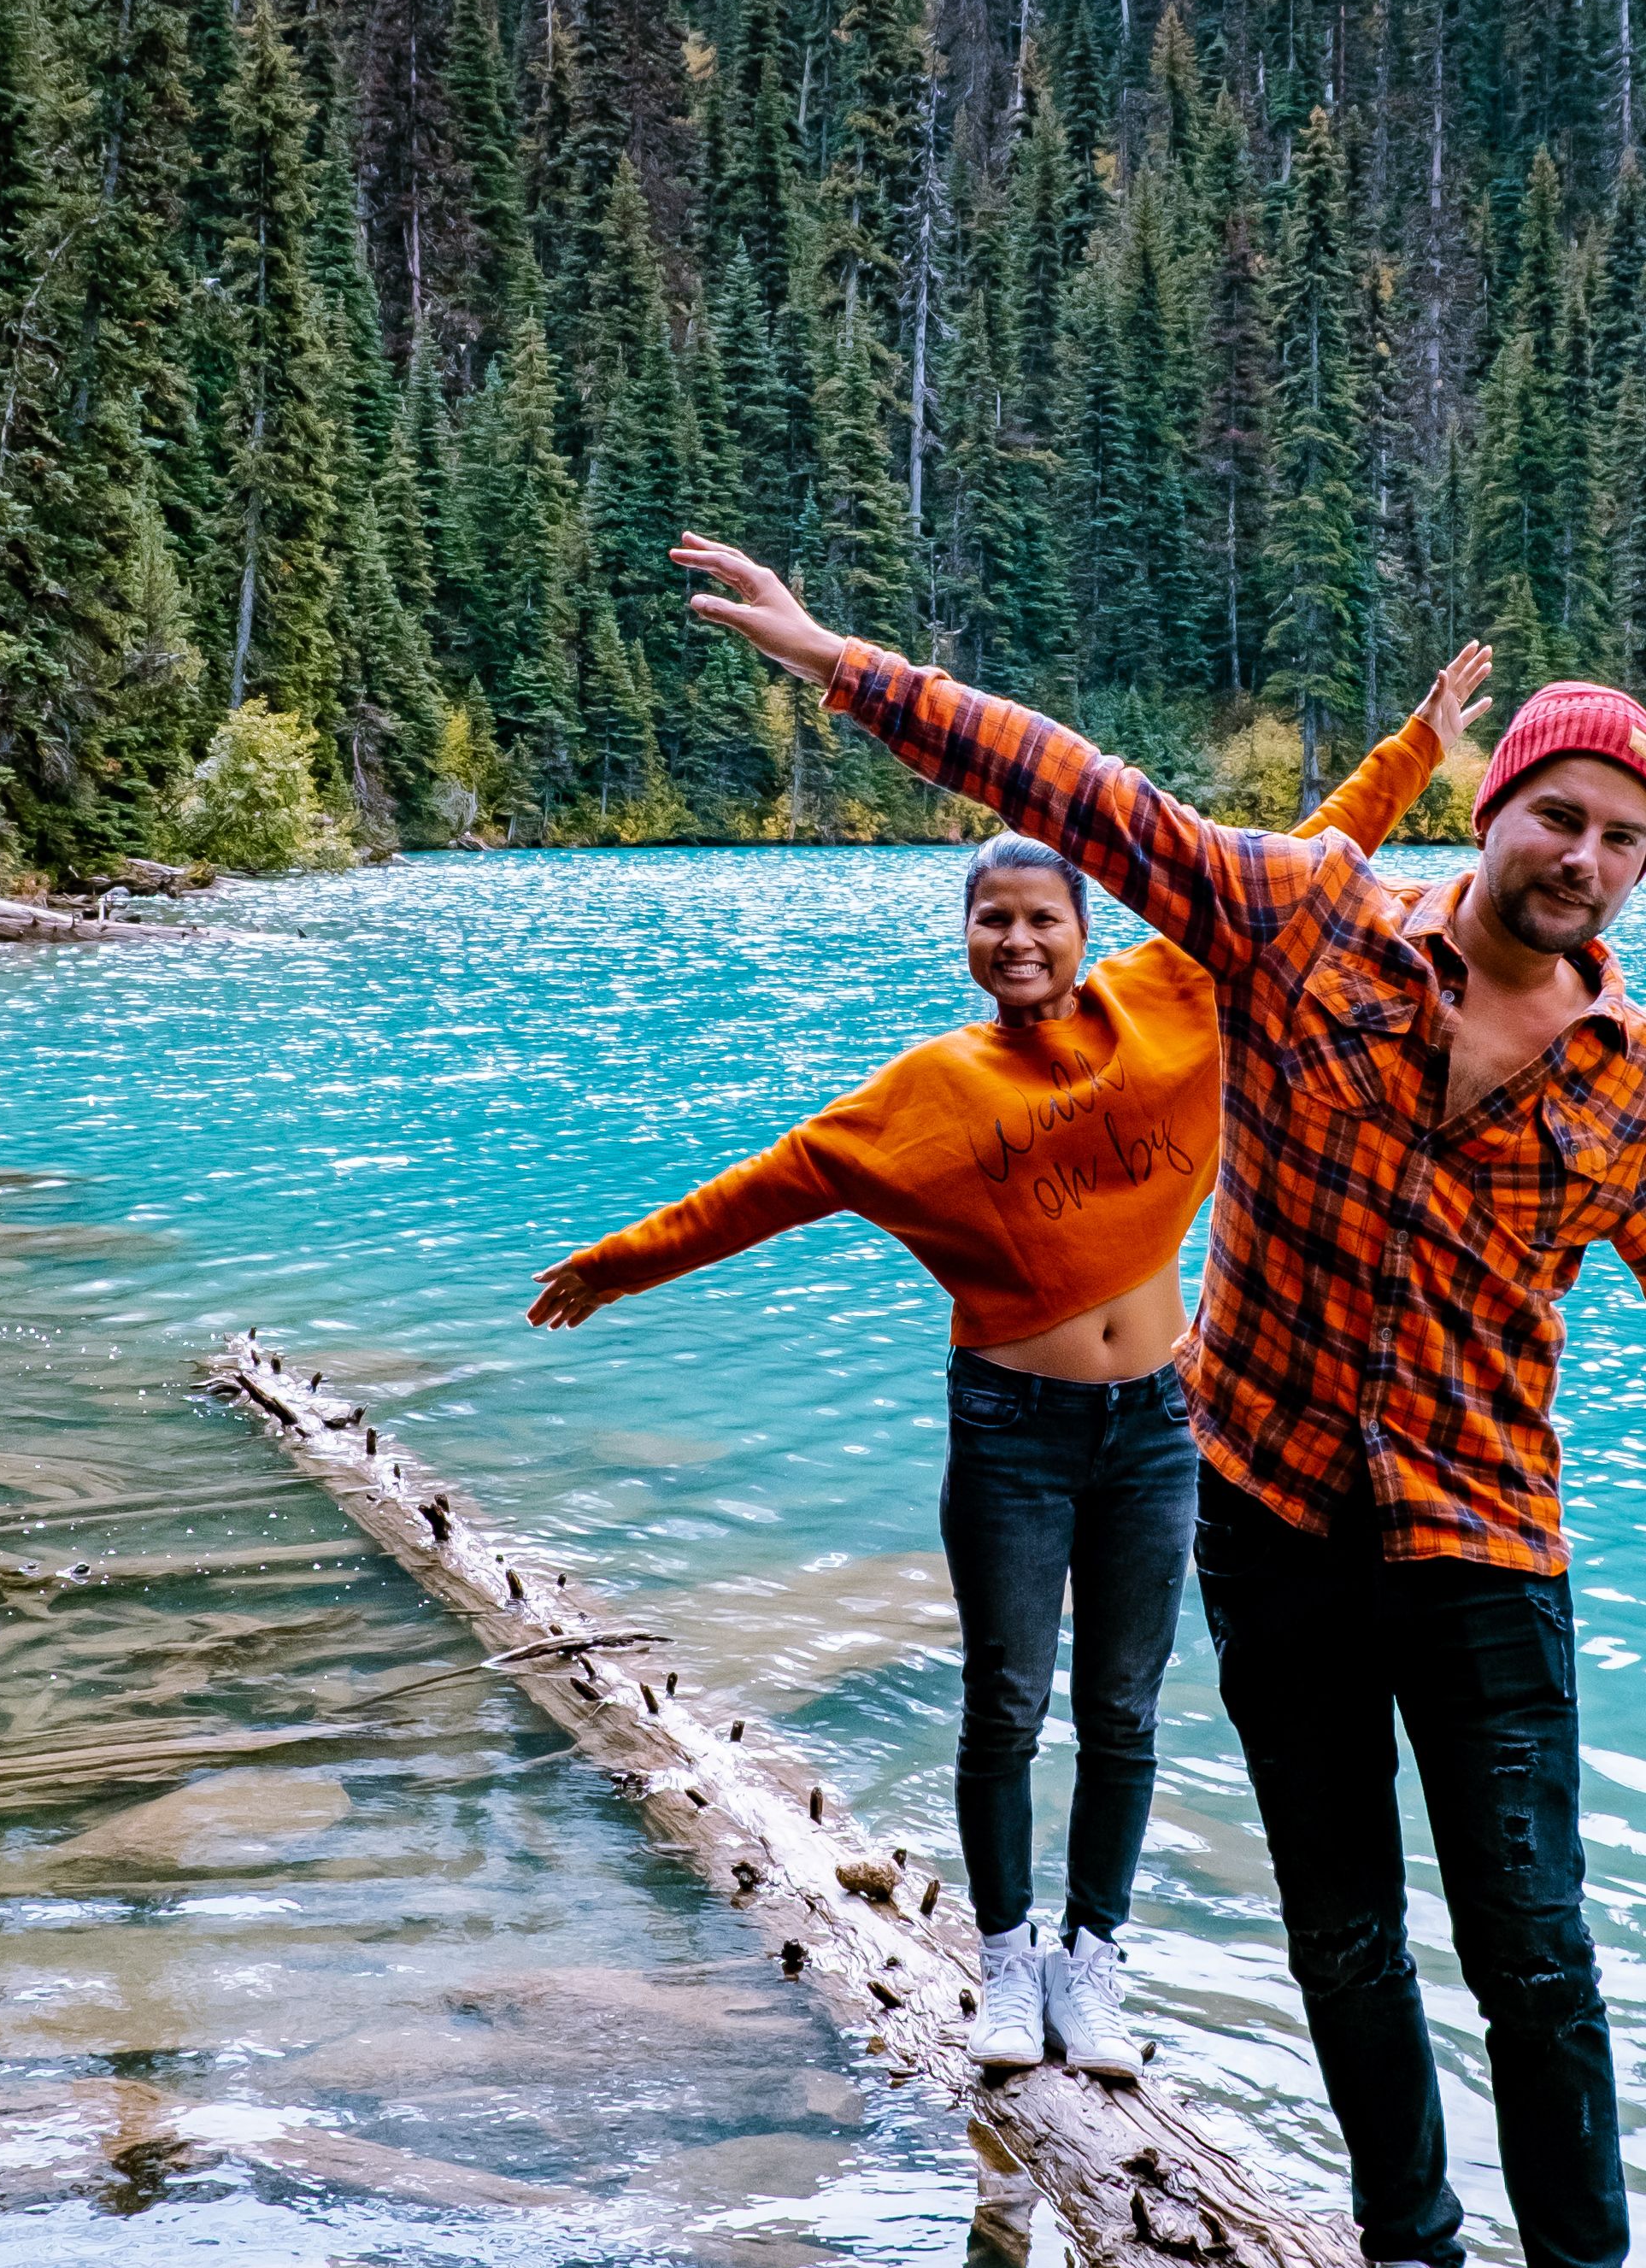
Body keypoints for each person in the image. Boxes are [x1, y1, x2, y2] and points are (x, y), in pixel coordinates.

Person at [662, 532, 1646, 2268]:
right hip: (1267, 1517)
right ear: (1489, 806)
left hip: (1482, 1541)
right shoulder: (1302, 927)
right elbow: (1085, 795)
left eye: (1622, 837)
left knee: (1532, 1944)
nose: (1582, 854)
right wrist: (847, 668)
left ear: (1641, 871)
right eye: (1555, 811)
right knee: (1340, 1918)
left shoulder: (1634, 1089)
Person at [527, 649, 1491, 2084]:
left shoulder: (1181, 992)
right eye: (994, 922)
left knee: (1122, 1705)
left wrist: (1417, 745)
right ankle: (1001, 1961)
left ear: (1085, 928)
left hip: (1164, 1420)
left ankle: (1090, 1964)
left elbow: (1313, 853)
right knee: (1007, 1700)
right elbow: (760, 1189)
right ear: (968, 939)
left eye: (1042, 917)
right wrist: (620, 1263)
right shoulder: (924, 1097)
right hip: (1014, 1429)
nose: (1018, 942)